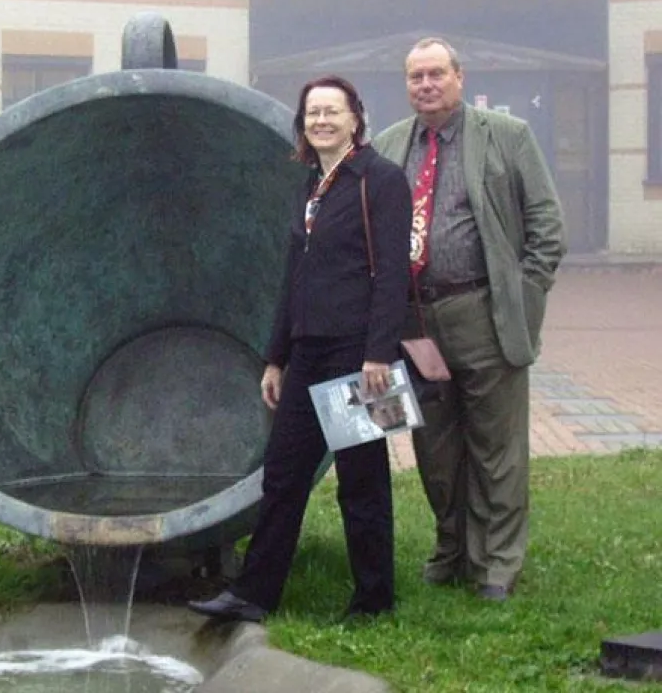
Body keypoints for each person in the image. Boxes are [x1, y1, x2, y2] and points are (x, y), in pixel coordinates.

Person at [188, 75, 411, 623]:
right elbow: (295, 277)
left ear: (356, 118)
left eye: (332, 111)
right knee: (283, 475)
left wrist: (379, 353)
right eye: (312, 113)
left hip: (361, 355)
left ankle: (373, 600)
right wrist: (276, 356)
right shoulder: (313, 184)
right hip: (308, 353)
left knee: (363, 481)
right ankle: (253, 595)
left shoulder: (380, 180)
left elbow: (393, 274)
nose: (321, 121)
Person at [372, 37, 565, 602]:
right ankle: (452, 548)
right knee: (434, 448)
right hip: (414, 321)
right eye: (415, 77)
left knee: (495, 446)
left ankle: (497, 563)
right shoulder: (388, 147)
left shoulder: (507, 137)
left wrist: (521, 296)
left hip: (481, 311)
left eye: (436, 74)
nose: (426, 85)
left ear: (459, 77)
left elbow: (546, 227)